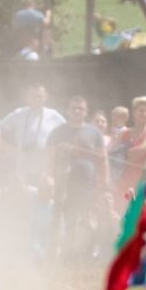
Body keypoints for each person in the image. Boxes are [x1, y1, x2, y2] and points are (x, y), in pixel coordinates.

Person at [46, 95, 109, 256]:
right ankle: (65, 254)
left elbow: (103, 160)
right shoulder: (58, 132)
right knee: (67, 219)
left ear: (86, 112)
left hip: (88, 185)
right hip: (64, 184)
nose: (76, 111)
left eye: (80, 109)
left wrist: (104, 183)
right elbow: (49, 159)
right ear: (68, 111)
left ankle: (84, 254)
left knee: (87, 220)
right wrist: (48, 178)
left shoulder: (94, 132)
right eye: (73, 108)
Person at [110, 96, 146, 200]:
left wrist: (124, 153)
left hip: (141, 180)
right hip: (122, 179)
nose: (144, 114)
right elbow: (112, 153)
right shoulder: (125, 132)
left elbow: (138, 152)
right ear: (134, 113)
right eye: (141, 111)